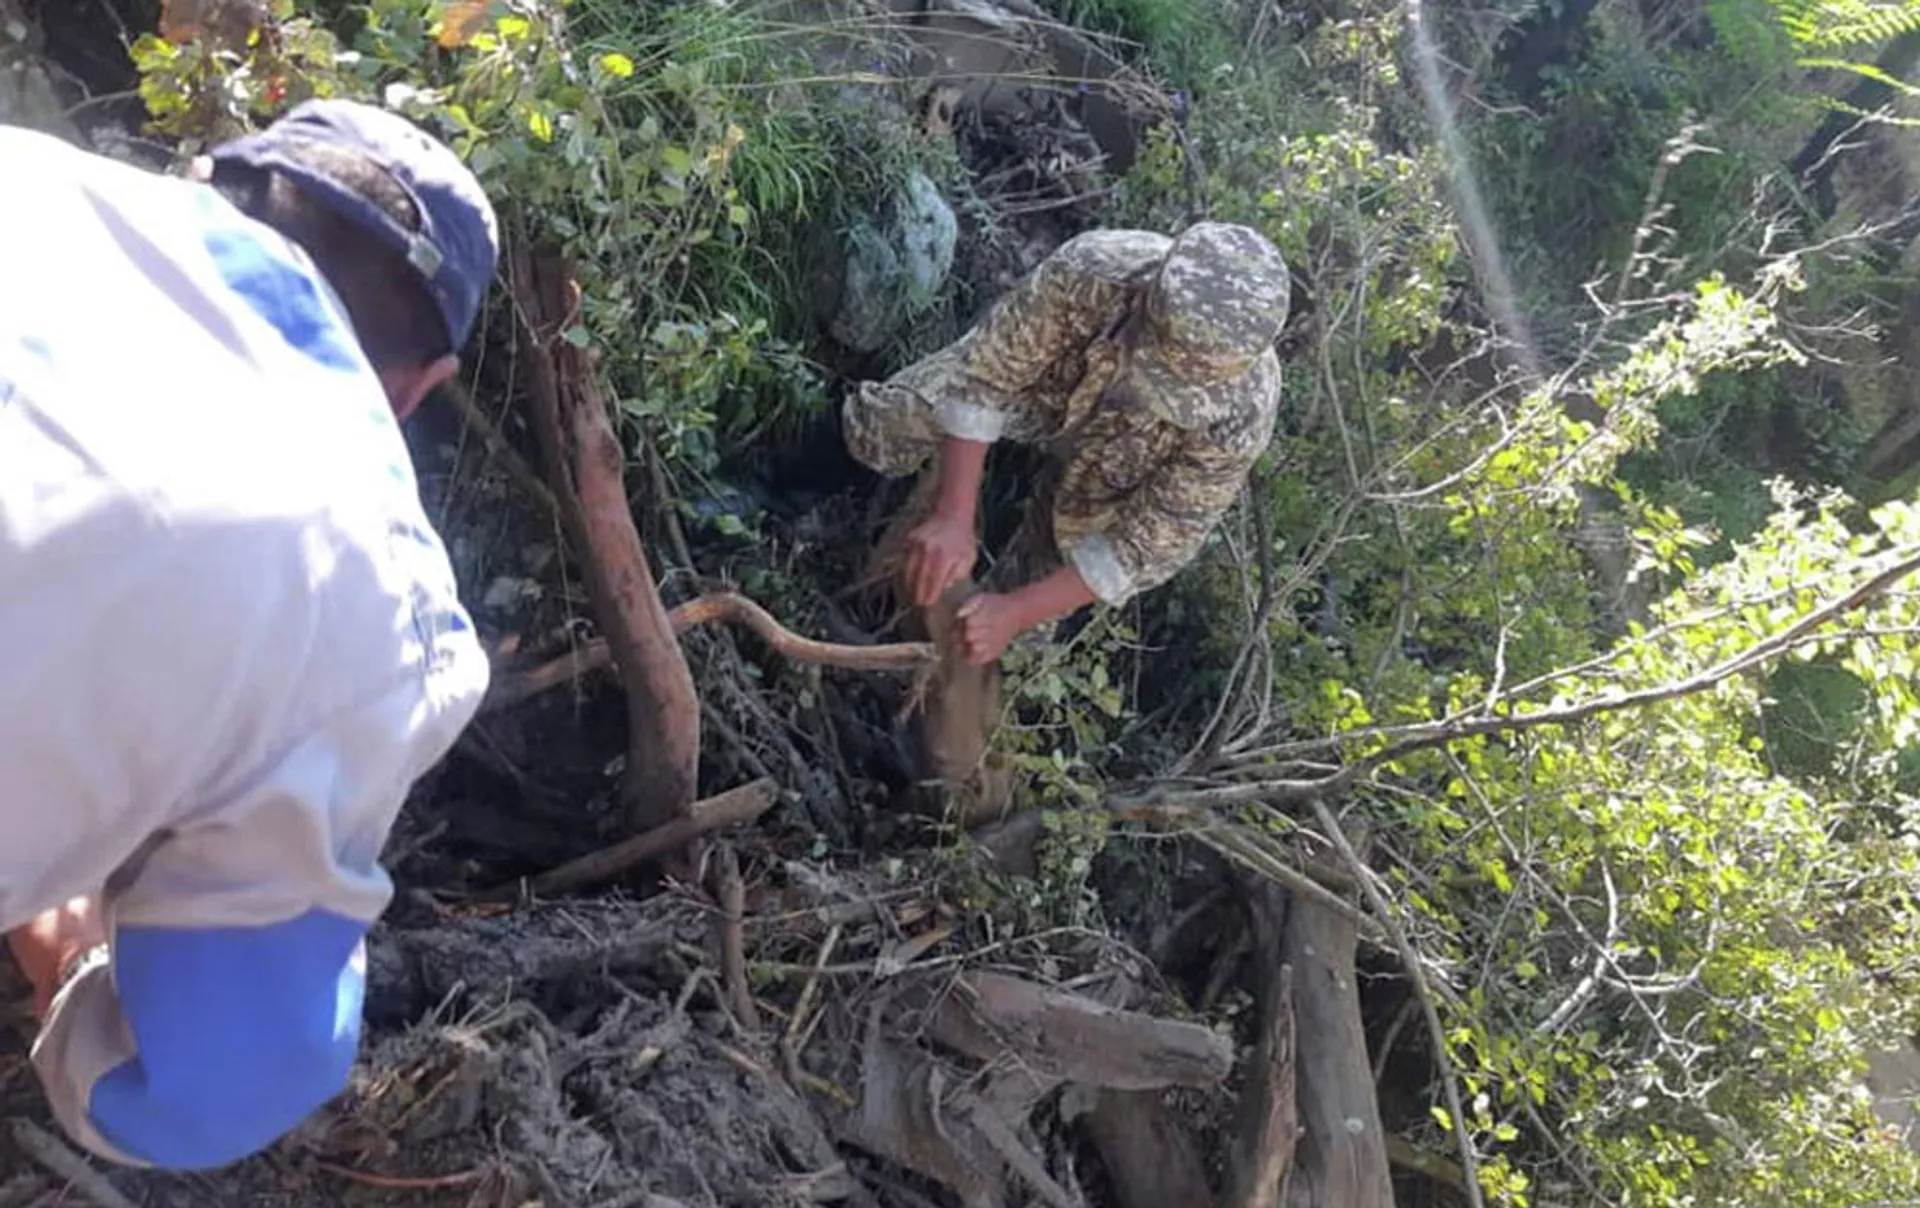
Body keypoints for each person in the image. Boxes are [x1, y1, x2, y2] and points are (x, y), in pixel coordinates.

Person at [0, 99, 497, 1170]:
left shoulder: (25, 175)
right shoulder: (382, 605)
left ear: (197, 179)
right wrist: (67, 949)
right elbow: (207, 1088)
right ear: (421, 388)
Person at [845, 222, 1292, 666]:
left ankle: (970, 648)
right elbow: (984, 377)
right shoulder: (1095, 268)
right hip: (1042, 393)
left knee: (1003, 649)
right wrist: (953, 516)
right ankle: (832, 499)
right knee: (889, 423)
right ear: (1147, 300)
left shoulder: (1245, 409)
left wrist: (1016, 612)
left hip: (1111, 473)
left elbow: (1147, 546)